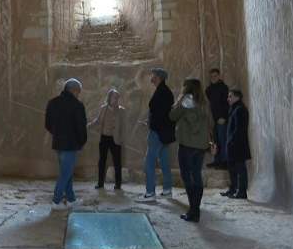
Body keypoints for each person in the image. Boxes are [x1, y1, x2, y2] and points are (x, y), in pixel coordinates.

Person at [170, 78, 213, 222]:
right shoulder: (204, 104)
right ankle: (195, 210)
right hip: (201, 146)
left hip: (187, 144)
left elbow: (172, 116)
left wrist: (179, 101)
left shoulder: (184, 101)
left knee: (186, 176)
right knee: (196, 175)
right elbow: (211, 123)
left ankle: (193, 209)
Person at [45, 78, 88, 210]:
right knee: (65, 173)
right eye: (78, 92)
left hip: (58, 144)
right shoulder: (77, 105)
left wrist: (57, 135)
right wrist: (81, 141)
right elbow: (81, 128)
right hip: (70, 145)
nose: (78, 94)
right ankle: (56, 201)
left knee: (66, 171)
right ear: (73, 90)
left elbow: (48, 124)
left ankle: (71, 199)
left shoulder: (52, 103)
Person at [135, 67, 175, 202]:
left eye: (152, 74)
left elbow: (161, 114)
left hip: (157, 132)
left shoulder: (162, 92)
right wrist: (150, 120)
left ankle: (150, 192)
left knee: (148, 161)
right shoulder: (165, 91)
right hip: (164, 133)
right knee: (164, 161)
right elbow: (161, 113)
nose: (150, 76)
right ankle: (167, 190)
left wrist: (152, 125)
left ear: (157, 77)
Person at [86, 89, 128, 190]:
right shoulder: (103, 108)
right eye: (115, 97)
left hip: (115, 139)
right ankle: (100, 183)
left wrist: (122, 139)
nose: (116, 99)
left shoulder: (121, 110)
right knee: (102, 161)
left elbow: (124, 126)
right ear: (109, 97)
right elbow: (98, 120)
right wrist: (88, 126)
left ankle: (118, 184)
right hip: (104, 138)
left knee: (117, 161)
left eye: (117, 98)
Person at [221, 89, 252, 199]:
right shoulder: (234, 109)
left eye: (230, 96)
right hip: (232, 144)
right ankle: (233, 189)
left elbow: (239, 128)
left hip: (238, 145)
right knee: (232, 168)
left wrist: (232, 140)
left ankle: (242, 192)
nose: (228, 99)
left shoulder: (240, 109)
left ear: (237, 97)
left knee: (240, 168)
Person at [205, 68, 229, 169]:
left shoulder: (224, 88)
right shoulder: (209, 90)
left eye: (215, 76)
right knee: (215, 141)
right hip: (213, 118)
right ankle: (217, 160)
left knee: (222, 139)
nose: (213, 78)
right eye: (211, 76)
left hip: (221, 118)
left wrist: (223, 116)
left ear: (219, 76)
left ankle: (224, 161)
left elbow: (226, 104)